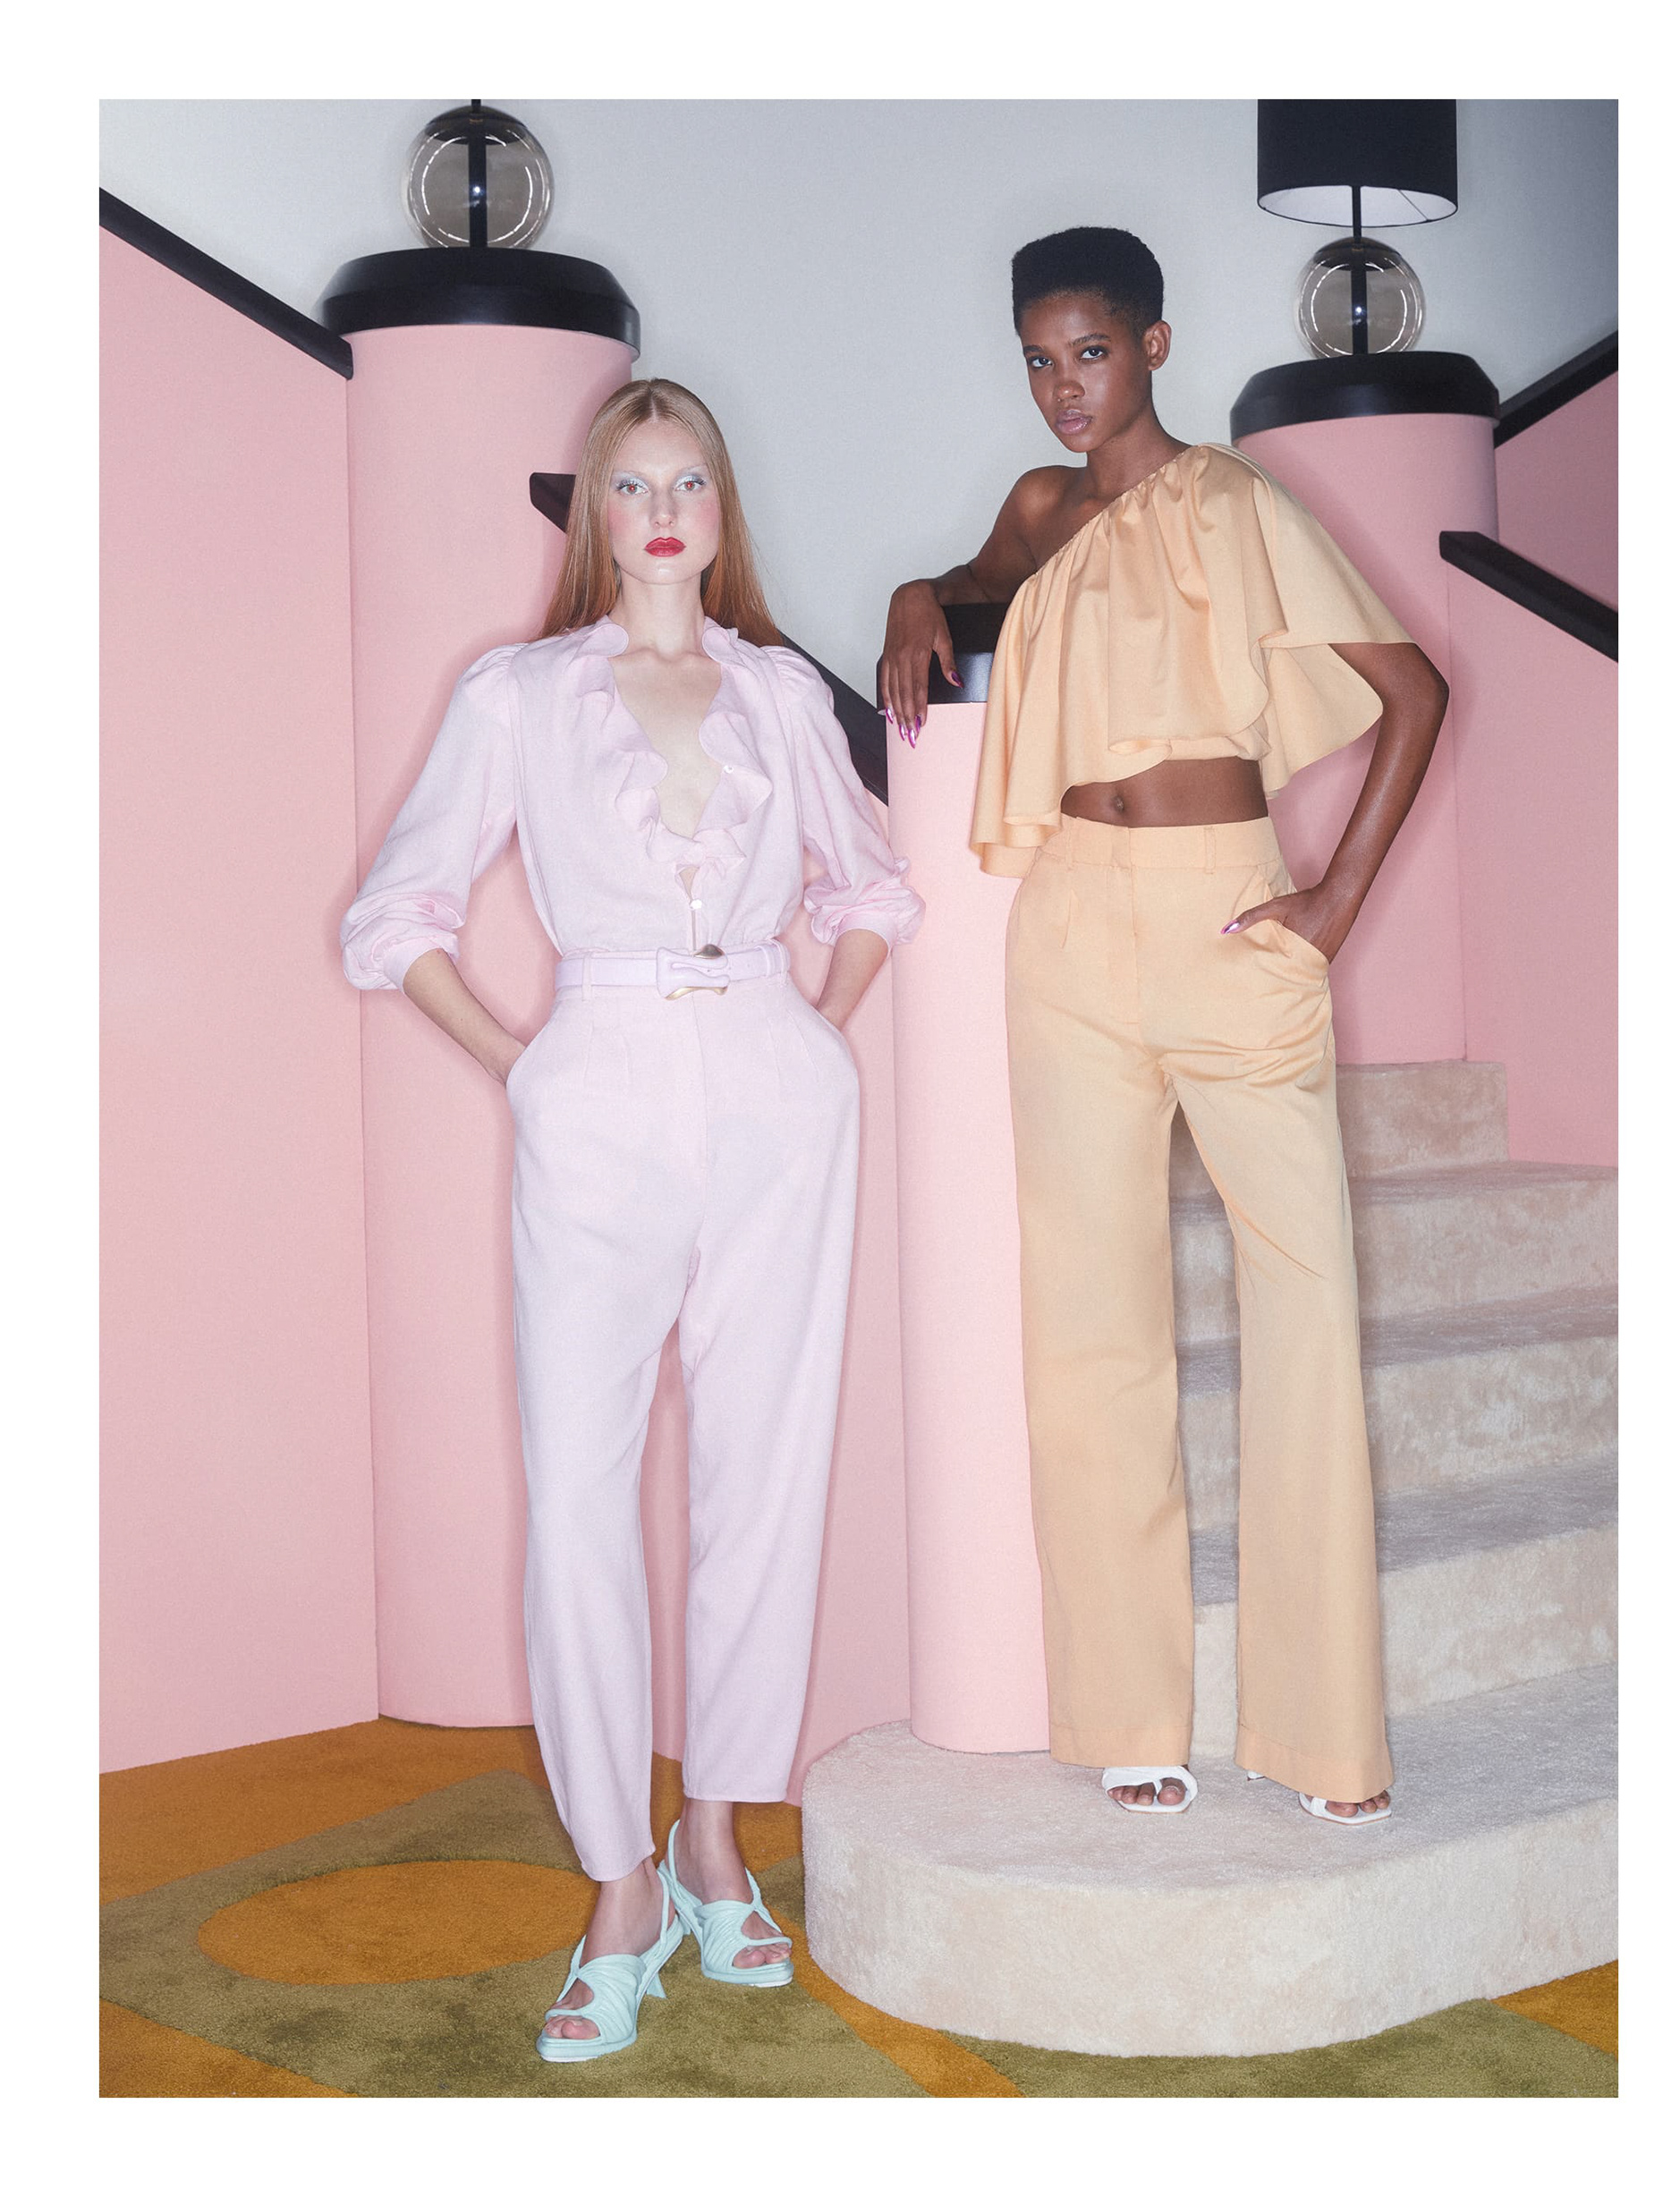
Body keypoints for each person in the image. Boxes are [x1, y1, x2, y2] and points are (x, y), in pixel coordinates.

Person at [342, 378, 922, 2060]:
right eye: (631, 485)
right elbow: (396, 916)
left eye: (689, 483)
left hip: (775, 1087)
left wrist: (818, 1029)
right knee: (582, 1497)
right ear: (597, 515)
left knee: (764, 1478)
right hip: (594, 1082)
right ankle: (620, 1884)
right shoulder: (519, 695)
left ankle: (714, 1842)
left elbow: (872, 886)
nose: (663, 513)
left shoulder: (781, 694)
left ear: (723, 510)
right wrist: (524, 1067)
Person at [878, 226, 1447, 1826]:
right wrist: (918, 590)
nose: (1065, 387)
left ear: (1155, 346)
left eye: (1092, 352)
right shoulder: (1042, 510)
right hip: (1068, 924)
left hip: (1223, 914)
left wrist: (1331, 906)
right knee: (1089, 1322)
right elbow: (976, 585)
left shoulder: (1239, 503)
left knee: (1305, 1301)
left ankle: (1324, 1737)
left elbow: (1414, 692)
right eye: (1040, 360)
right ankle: (1130, 1713)